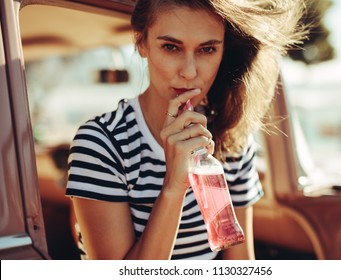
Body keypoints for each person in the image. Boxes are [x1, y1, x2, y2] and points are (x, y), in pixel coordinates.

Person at [66, 0, 305, 260]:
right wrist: (173, 187)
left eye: (207, 49)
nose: (189, 72)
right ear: (141, 42)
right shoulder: (101, 144)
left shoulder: (233, 137)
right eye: (170, 47)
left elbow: (240, 263)